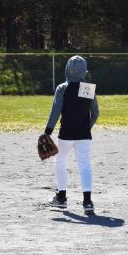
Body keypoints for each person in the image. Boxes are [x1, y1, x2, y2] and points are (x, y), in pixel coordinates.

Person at [45, 55, 99, 215]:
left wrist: (47, 132)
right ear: (84, 71)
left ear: (68, 70)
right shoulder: (87, 87)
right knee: (85, 165)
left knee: (60, 161)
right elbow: (95, 112)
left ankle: (61, 198)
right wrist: (86, 127)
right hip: (84, 134)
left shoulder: (63, 88)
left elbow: (55, 112)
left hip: (66, 134)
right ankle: (87, 202)